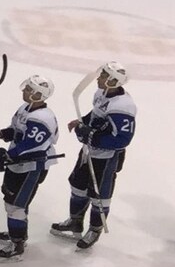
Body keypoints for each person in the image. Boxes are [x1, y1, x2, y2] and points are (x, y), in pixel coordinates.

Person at [52, 62, 136, 250]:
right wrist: (83, 122)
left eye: (104, 76)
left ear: (114, 81)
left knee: (99, 195)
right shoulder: (101, 93)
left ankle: (95, 229)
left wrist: (90, 135)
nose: (99, 78)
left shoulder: (123, 106)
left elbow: (122, 139)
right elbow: (97, 114)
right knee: (78, 185)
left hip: (107, 158)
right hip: (90, 150)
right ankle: (75, 221)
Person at [0, 75, 59, 261]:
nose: (24, 91)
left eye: (28, 89)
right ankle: (17, 232)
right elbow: (16, 132)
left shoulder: (42, 118)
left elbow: (28, 145)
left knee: (16, 205)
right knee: (10, 199)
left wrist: (7, 156)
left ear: (38, 94)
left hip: (31, 167)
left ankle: (17, 243)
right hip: (18, 163)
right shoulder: (25, 108)